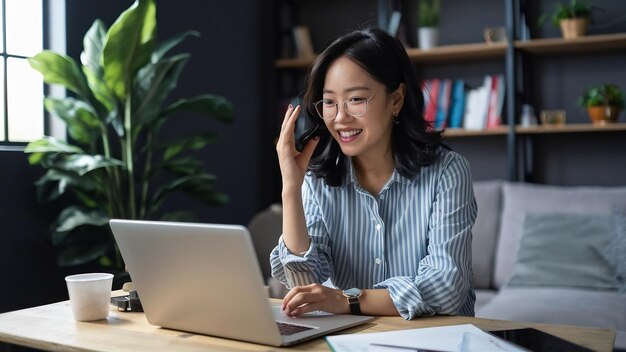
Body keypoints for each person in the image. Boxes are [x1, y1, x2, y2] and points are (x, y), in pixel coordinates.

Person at [271, 27, 477, 320]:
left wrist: (348, 300)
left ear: (396, 99)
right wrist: (291, 188)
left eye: (356, 99)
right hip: (355, 341)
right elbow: (304, 285)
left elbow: (446, 289)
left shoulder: (447, 172)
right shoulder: (318, 182)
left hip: (435, 340)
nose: (340, 117)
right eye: (329, 102)